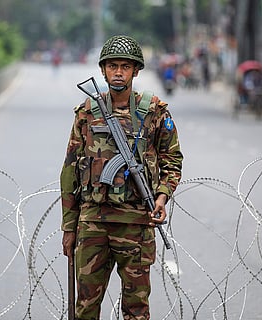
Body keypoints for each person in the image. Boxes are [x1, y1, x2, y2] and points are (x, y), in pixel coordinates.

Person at [60, 35, 183, 320]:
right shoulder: (86, 113)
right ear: (103, 70)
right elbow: (70, 172)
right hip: (92, 224)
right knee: (86, 308)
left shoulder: (154, 112)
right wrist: (69, 226)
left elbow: (172, 160)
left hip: (137, 224)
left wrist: (162, 197)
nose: (118, 72)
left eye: (125, 67)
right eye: (112, 66)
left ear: (136, 71)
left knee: (137, 311)